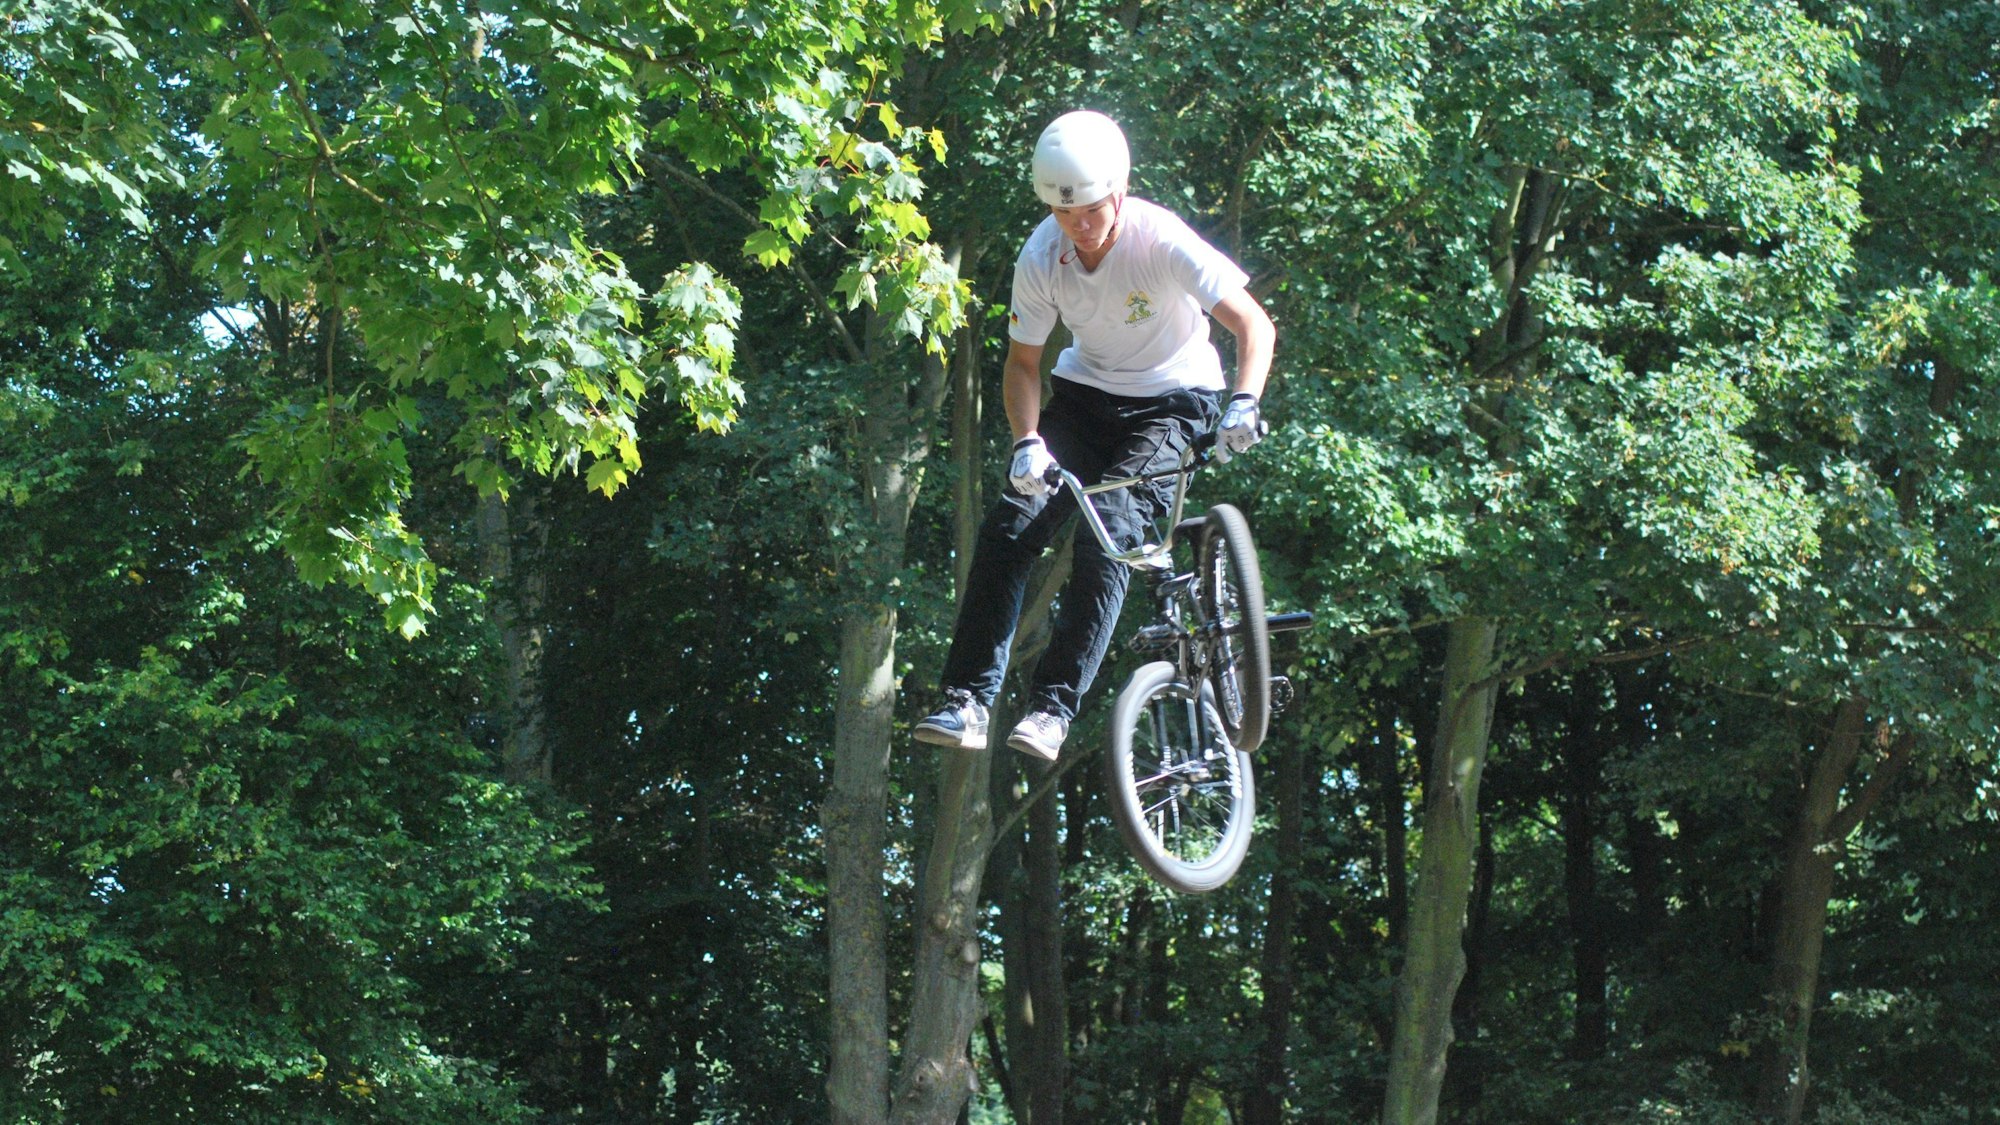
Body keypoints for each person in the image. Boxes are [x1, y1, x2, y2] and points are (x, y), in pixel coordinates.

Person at [914, 109, 1276, 761]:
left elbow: (1254, 324)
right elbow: (1023, 364)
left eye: (1089, 211)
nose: (1078, 228)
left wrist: (1245, 401)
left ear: (1119, 191)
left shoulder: (1160, 240)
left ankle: (1051, 708)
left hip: (1175, 401)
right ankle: (967, 700)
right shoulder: (1042, 256)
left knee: (1107, 534)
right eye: (1062, 213)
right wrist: (1028, 439)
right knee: (1010, 525)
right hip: (1084, 400)